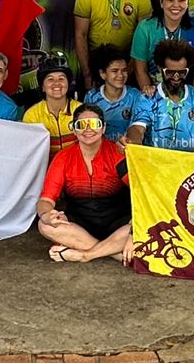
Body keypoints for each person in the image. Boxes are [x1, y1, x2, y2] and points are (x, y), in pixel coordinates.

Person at [37, 104, 132, 264]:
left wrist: (134, 231)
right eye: (81, 125)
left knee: (144, 226)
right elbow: (46, 200)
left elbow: (141, 194)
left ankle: (84, 255)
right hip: (80, 225)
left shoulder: (118, 155)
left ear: (103, 128)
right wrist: (47, 215)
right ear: (74, 129)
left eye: (94, 124)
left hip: (119, 224)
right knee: (44, 225)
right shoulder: (63, 157)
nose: (88, 129)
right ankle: (114, 253)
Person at [125, 40, 194, 152]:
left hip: (189, 165)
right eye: (170, 72)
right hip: (154, 165)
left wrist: (188, 161)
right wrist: (133, 143)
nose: (176, 77)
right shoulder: (147, 97)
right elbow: (136, 129)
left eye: (182, 72)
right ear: (160, 68)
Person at [130, 0, 194, 95]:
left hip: (187, 89)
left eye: (181, 0)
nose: (176, 5)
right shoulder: (145, 28)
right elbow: (140, 70)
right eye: (170, 0)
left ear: (187, 3)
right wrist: (151, 96)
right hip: (154, 87)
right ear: (161, 3)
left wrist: (192, 96)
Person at [86, 45, 144, 142]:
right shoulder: (91, 97)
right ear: (102, 74)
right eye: (115, 71)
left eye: (124, 70)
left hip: (127, 151)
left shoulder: (135, 96)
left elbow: (139, 128)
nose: (120, 75)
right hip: (102, 152)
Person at [25, 57, 78, 156]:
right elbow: (30, 153)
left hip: (76, 168)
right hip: (46, 169)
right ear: (42, 87)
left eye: (61, 78)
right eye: (50, 79)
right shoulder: (32, 115)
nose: (57, 83)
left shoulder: (81, 111)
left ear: (69, 83)